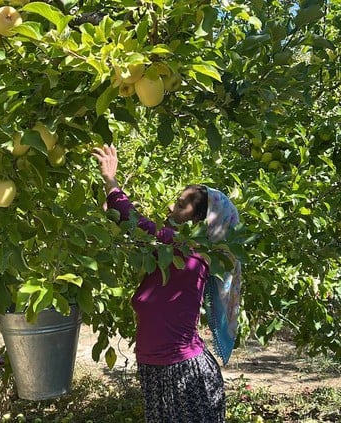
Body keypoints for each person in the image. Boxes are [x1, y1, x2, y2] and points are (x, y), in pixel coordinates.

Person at [92, 144, 242, 423]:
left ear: (201, 219)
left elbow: (138, 224)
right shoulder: (168, 253)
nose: (172, 206)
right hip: (154, 368)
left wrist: (111, 181)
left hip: (184, 370)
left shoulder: (194, 255)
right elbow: (135, 233)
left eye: (181, 204)